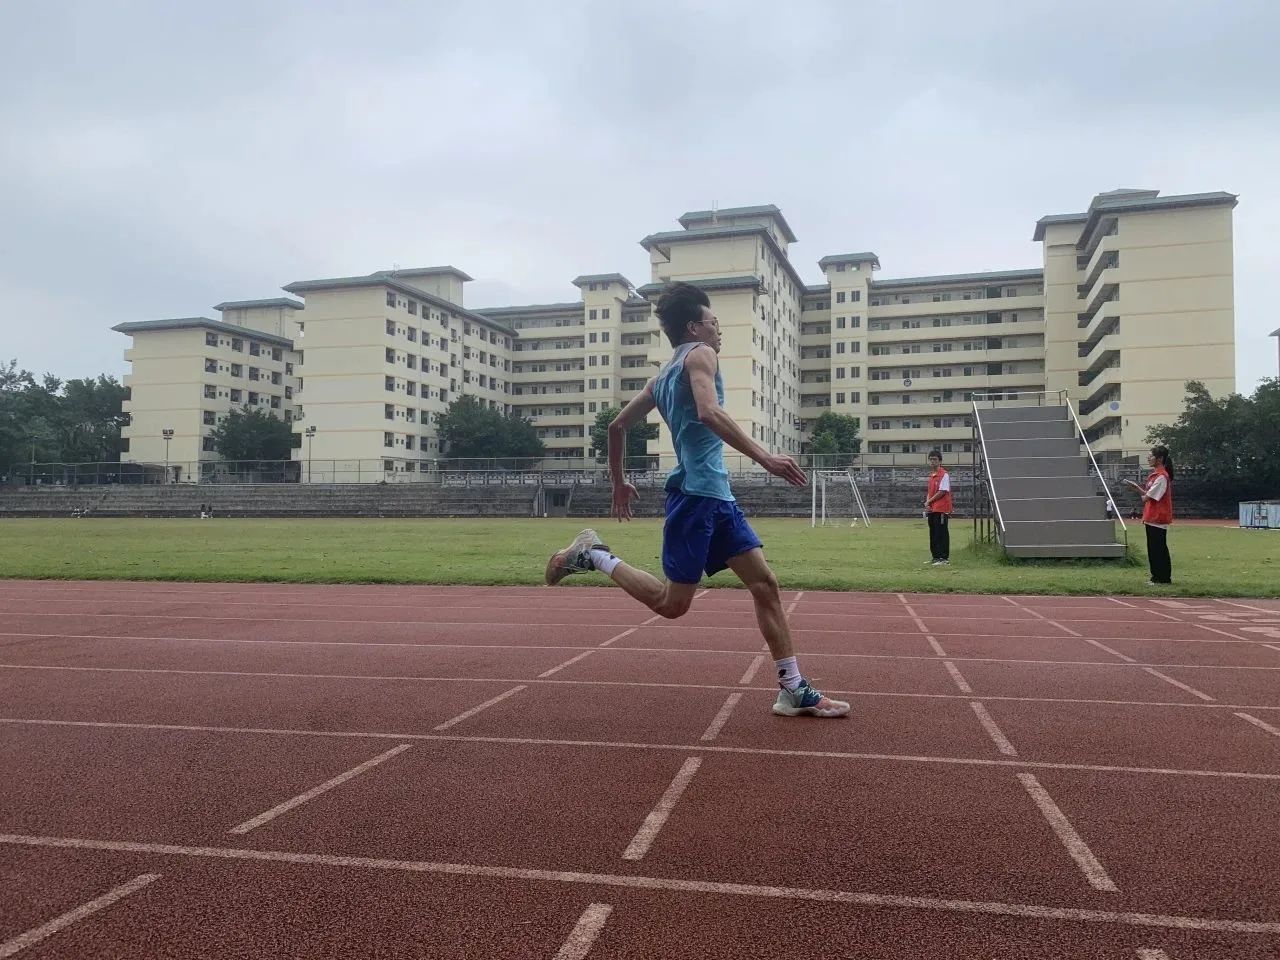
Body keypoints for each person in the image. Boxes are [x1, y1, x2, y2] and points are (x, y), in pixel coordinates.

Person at [545, 282, 850, 719]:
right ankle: (593, 555)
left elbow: (616, 427)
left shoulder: (661, 377)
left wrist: (619, 482)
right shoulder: (700, 355)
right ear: (693, 327)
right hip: (694, 498)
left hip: (716, 496)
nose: (718, 330)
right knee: (672, 604)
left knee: (765, 584)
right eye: (713, 322)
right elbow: (709, 411)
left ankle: (793, 688)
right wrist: (764, 457)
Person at [1123, 445, 1174, 585]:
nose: (1148, 458)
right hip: (1152, 517)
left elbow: (1148, 497)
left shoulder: (1162, 477)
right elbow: (1147, 496)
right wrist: (1137, 489)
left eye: (1151, 456)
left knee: (1158, 548)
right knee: (1154, 548)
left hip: (1158, 517)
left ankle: (1162, 577)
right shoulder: (1156, 475)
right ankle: (1157, 576)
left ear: (1160, 459)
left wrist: (1139, 490)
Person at [923, 449, 952, 566]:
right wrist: (927, 503)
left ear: (940, 461)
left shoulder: (944, 475)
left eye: (934, 459)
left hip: (941, 509)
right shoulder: (932, 476)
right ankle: (935, 557)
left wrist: (929, 501)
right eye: (930, 459)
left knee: (941, 533)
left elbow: (942, 491)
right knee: (933, 533)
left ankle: (944, 558)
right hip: (933, 509)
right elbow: (930, 491)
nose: (932, 462)